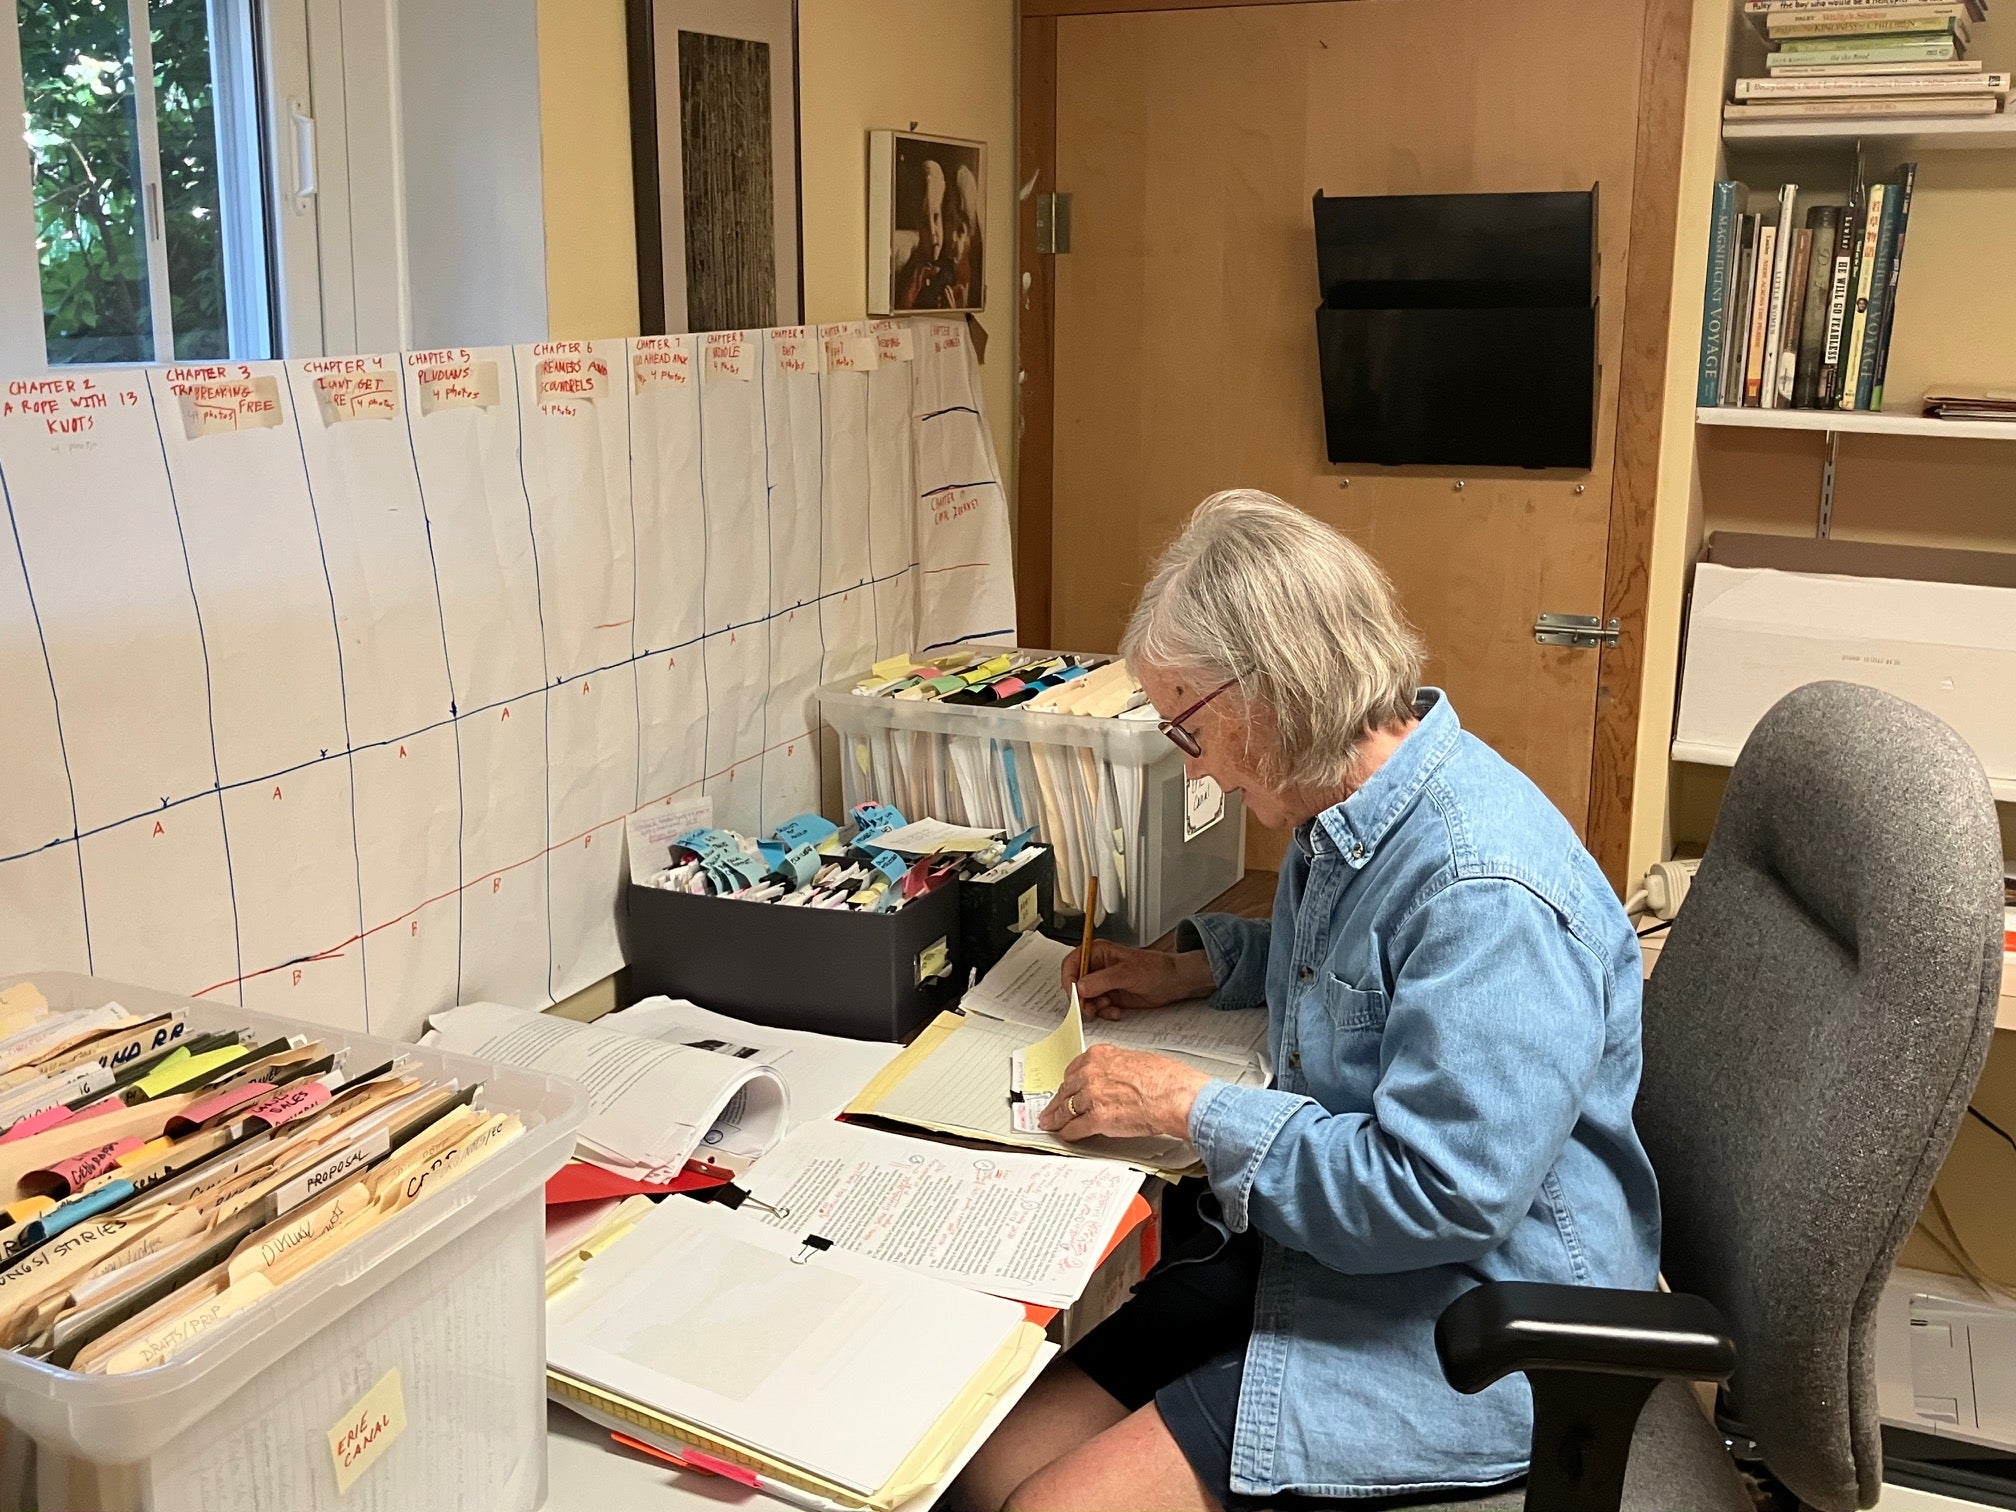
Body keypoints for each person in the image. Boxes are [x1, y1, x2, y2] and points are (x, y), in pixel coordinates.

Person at [952, 491, 1660, 1512]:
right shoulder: (1360, 801)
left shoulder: (1485, 889)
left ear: (1270, 694)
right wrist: (1200, 968)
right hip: (1338, 1261)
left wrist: (1187, 1108)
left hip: (1478, 1320)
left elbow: (1436, 1190)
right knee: (990, 1468)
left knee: (1046, 1507)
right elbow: (1370, 971)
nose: (1187, 762)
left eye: (1185, 727)